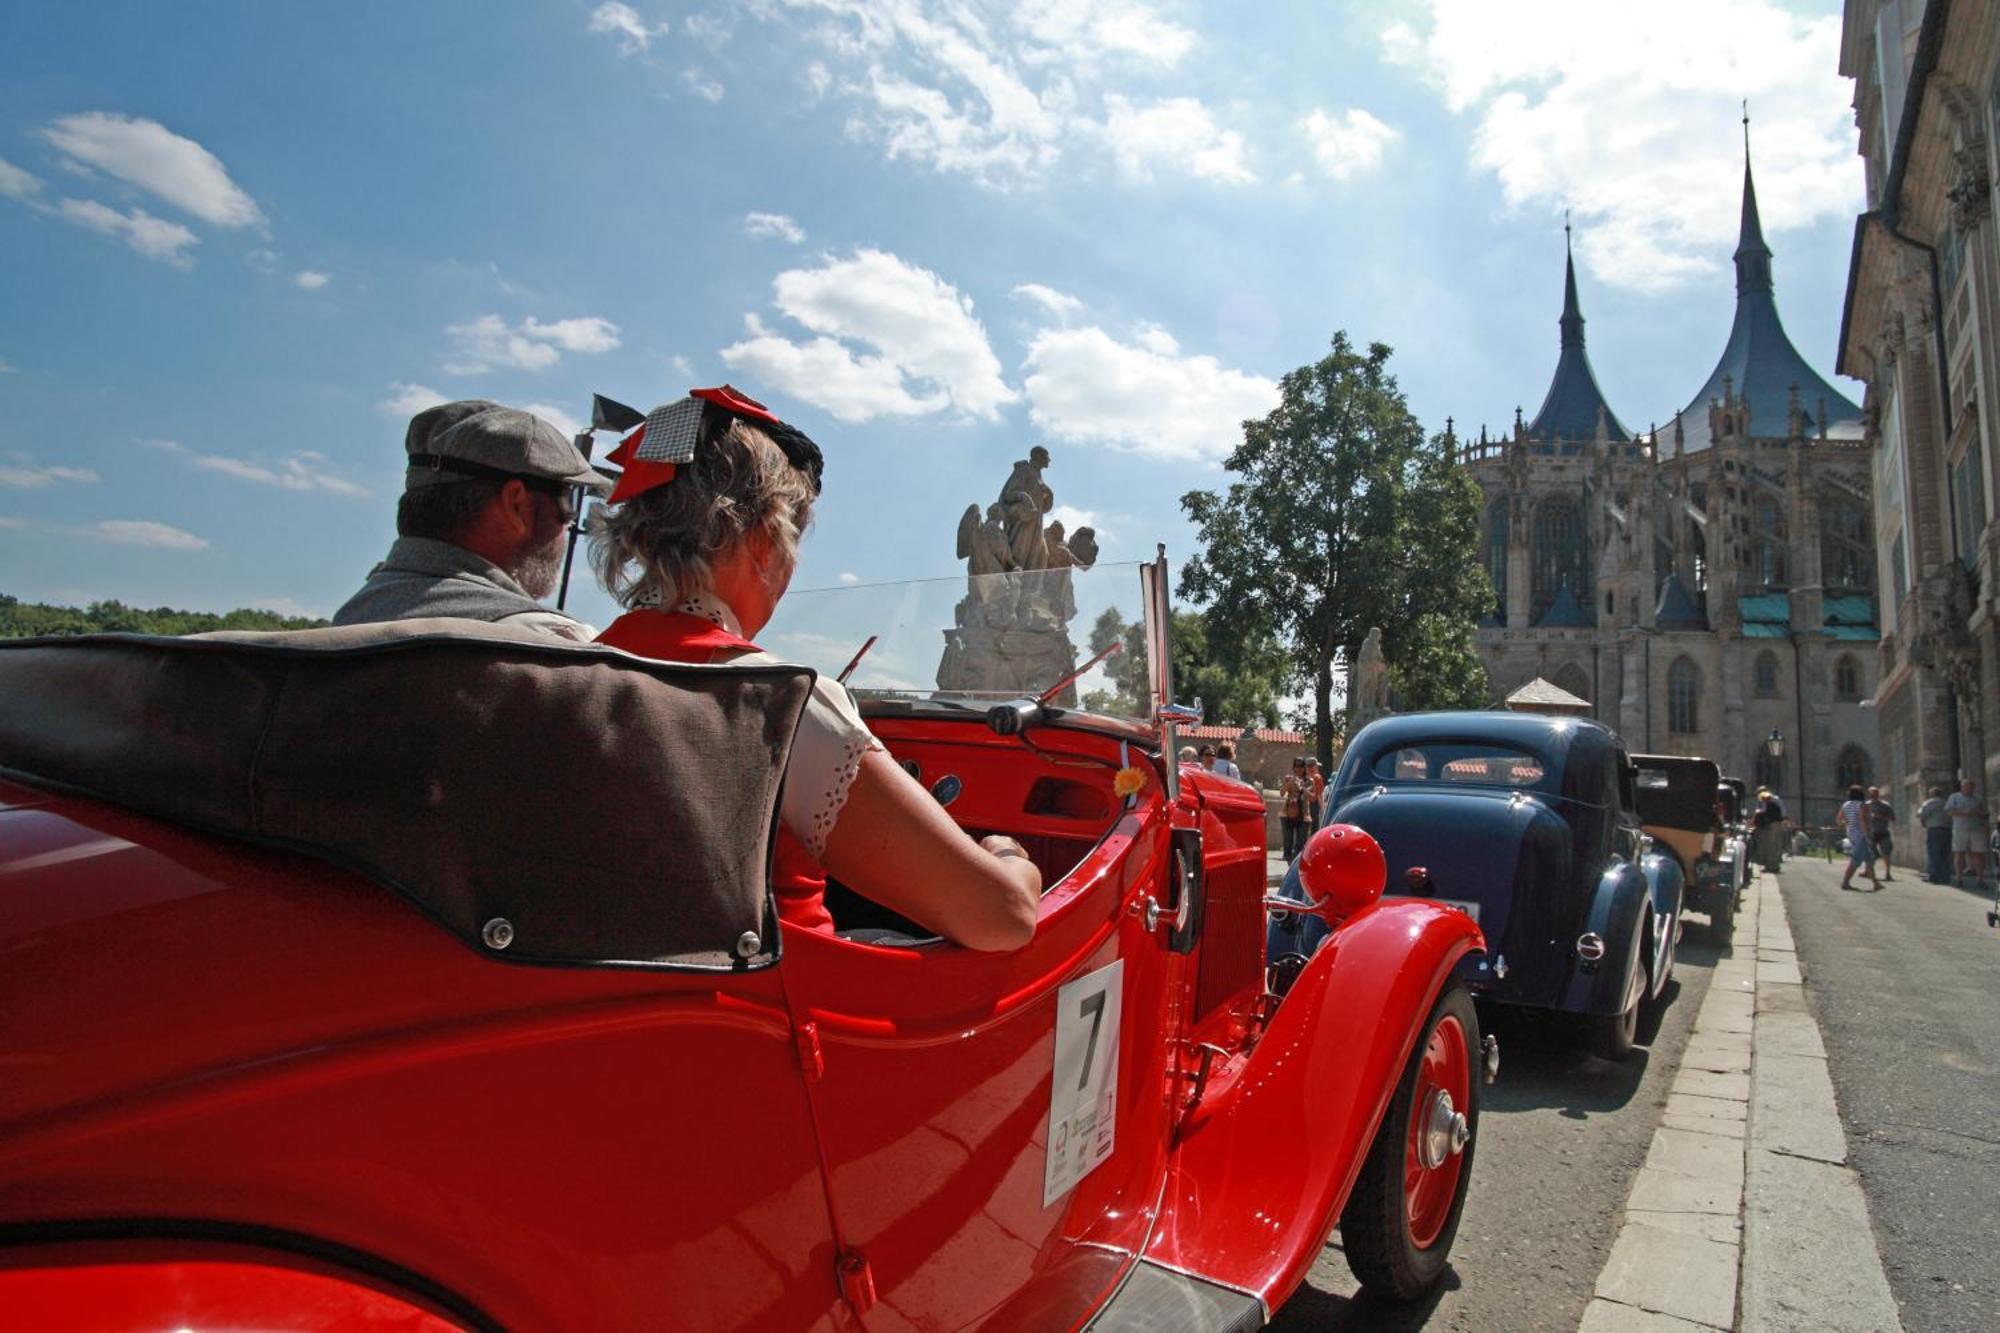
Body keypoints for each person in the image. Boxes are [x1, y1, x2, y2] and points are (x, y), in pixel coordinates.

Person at [589, 386, 1038, 951]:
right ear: (761, 540)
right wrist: (1008, 856)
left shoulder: (572, 664)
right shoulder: (780, 704)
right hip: (786, 1018)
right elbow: (1003, 915)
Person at [334, 400, 609, 639]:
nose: (568, 523)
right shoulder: (549, 646)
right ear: (516, 503)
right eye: (566, 503)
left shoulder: (343, 626)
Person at [1838, 784, 1880, 891]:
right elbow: (1863, 821)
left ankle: (1876, 883)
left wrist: (1848, 825)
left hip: (1851, 834)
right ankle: (1845, 882)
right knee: (1856, 860)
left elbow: (1839, 820)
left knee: (1869, 859)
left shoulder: (1846, 805)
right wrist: (1867, 836)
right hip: (1861, 835)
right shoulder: (1861, 805)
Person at [1945, 779, 1989, 885]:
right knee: (1959, 853)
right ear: (1962, 787)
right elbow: (1948, 812)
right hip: (1960, 829)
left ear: (1973, 788)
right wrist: (1963, 812)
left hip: (1976, 829)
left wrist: (1979, 812)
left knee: (1978, 853)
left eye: (1970, 787)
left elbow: (1985, 814)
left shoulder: (1978, 799)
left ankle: (1980, 879)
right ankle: (1959, 879)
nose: (1968, 789)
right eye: (1966, 787)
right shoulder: (1954, 797)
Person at [1279, 757, 1311, 861]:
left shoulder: (1309, 781)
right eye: (1296, 766)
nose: (1298, 769)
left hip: (1303, 813)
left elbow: (1312, 797)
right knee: (1287, 840)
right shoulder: (1290, 779)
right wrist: (1287, 783)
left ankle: (1297, 861)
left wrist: (1302, 787)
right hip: (1288, 812)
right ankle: (1288, 858)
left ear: (1304, 767)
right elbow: (1282, 793)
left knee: (1301, 843)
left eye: (1301, 766)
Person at [1918, 784, 1952, 884]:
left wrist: (1923, 823)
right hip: (1947, 829)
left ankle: (1934, 876)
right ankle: (1945, 877)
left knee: (1934, 853)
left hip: (1934, 829)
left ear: (1931, 794)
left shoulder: (1929, 803)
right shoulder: (1946, 803)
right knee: (1945, 854)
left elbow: (1922, 814)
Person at [1864, 785, 1897, 882]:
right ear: (1869, 795)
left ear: (1878, 794)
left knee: (1886, 853)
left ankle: (1888, 873)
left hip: (1883, 832)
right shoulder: (1866, 805)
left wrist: (1880, 817)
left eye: (1875, 793)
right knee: (1870, 853)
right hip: (1871, 833)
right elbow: (1862, 819)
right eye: (1871, 794)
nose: (1873, 795)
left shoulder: (1885, 805)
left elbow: (1892, 818)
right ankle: (1867, 871)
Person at [1751, 788, 1786, 873]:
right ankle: (1773, 865)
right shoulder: (1774, 803)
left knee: (1771, 846)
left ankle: (1772, 866)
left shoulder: (1770, 804)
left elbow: (1766, 814)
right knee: (1774, 846)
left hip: (1773, 825)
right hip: (1777, 824)